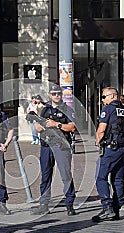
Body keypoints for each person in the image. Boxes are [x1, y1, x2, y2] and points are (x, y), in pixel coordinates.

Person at [30, 83, 77, 216]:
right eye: (54, 94)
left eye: (59, 94)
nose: (56, 96)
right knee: (45, 176)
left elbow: (72, 127)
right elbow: (38, 128)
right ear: (49, 95)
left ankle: (69, 204)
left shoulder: (67, 109)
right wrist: (43, 124)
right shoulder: (45, 110)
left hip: (61, 146)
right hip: (46, 145)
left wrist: (56, 124)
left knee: (66, 175)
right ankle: (44, 204)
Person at [92, 87, 124, 222]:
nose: (103, 100)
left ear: (112, 96)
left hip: (111, 149)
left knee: (101, 178)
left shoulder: (108, 109)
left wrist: (98, 143)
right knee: (117, 179)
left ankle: (107, 207)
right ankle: (116, 210)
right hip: (123, 149)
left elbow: (101, 130)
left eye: (104, 97)